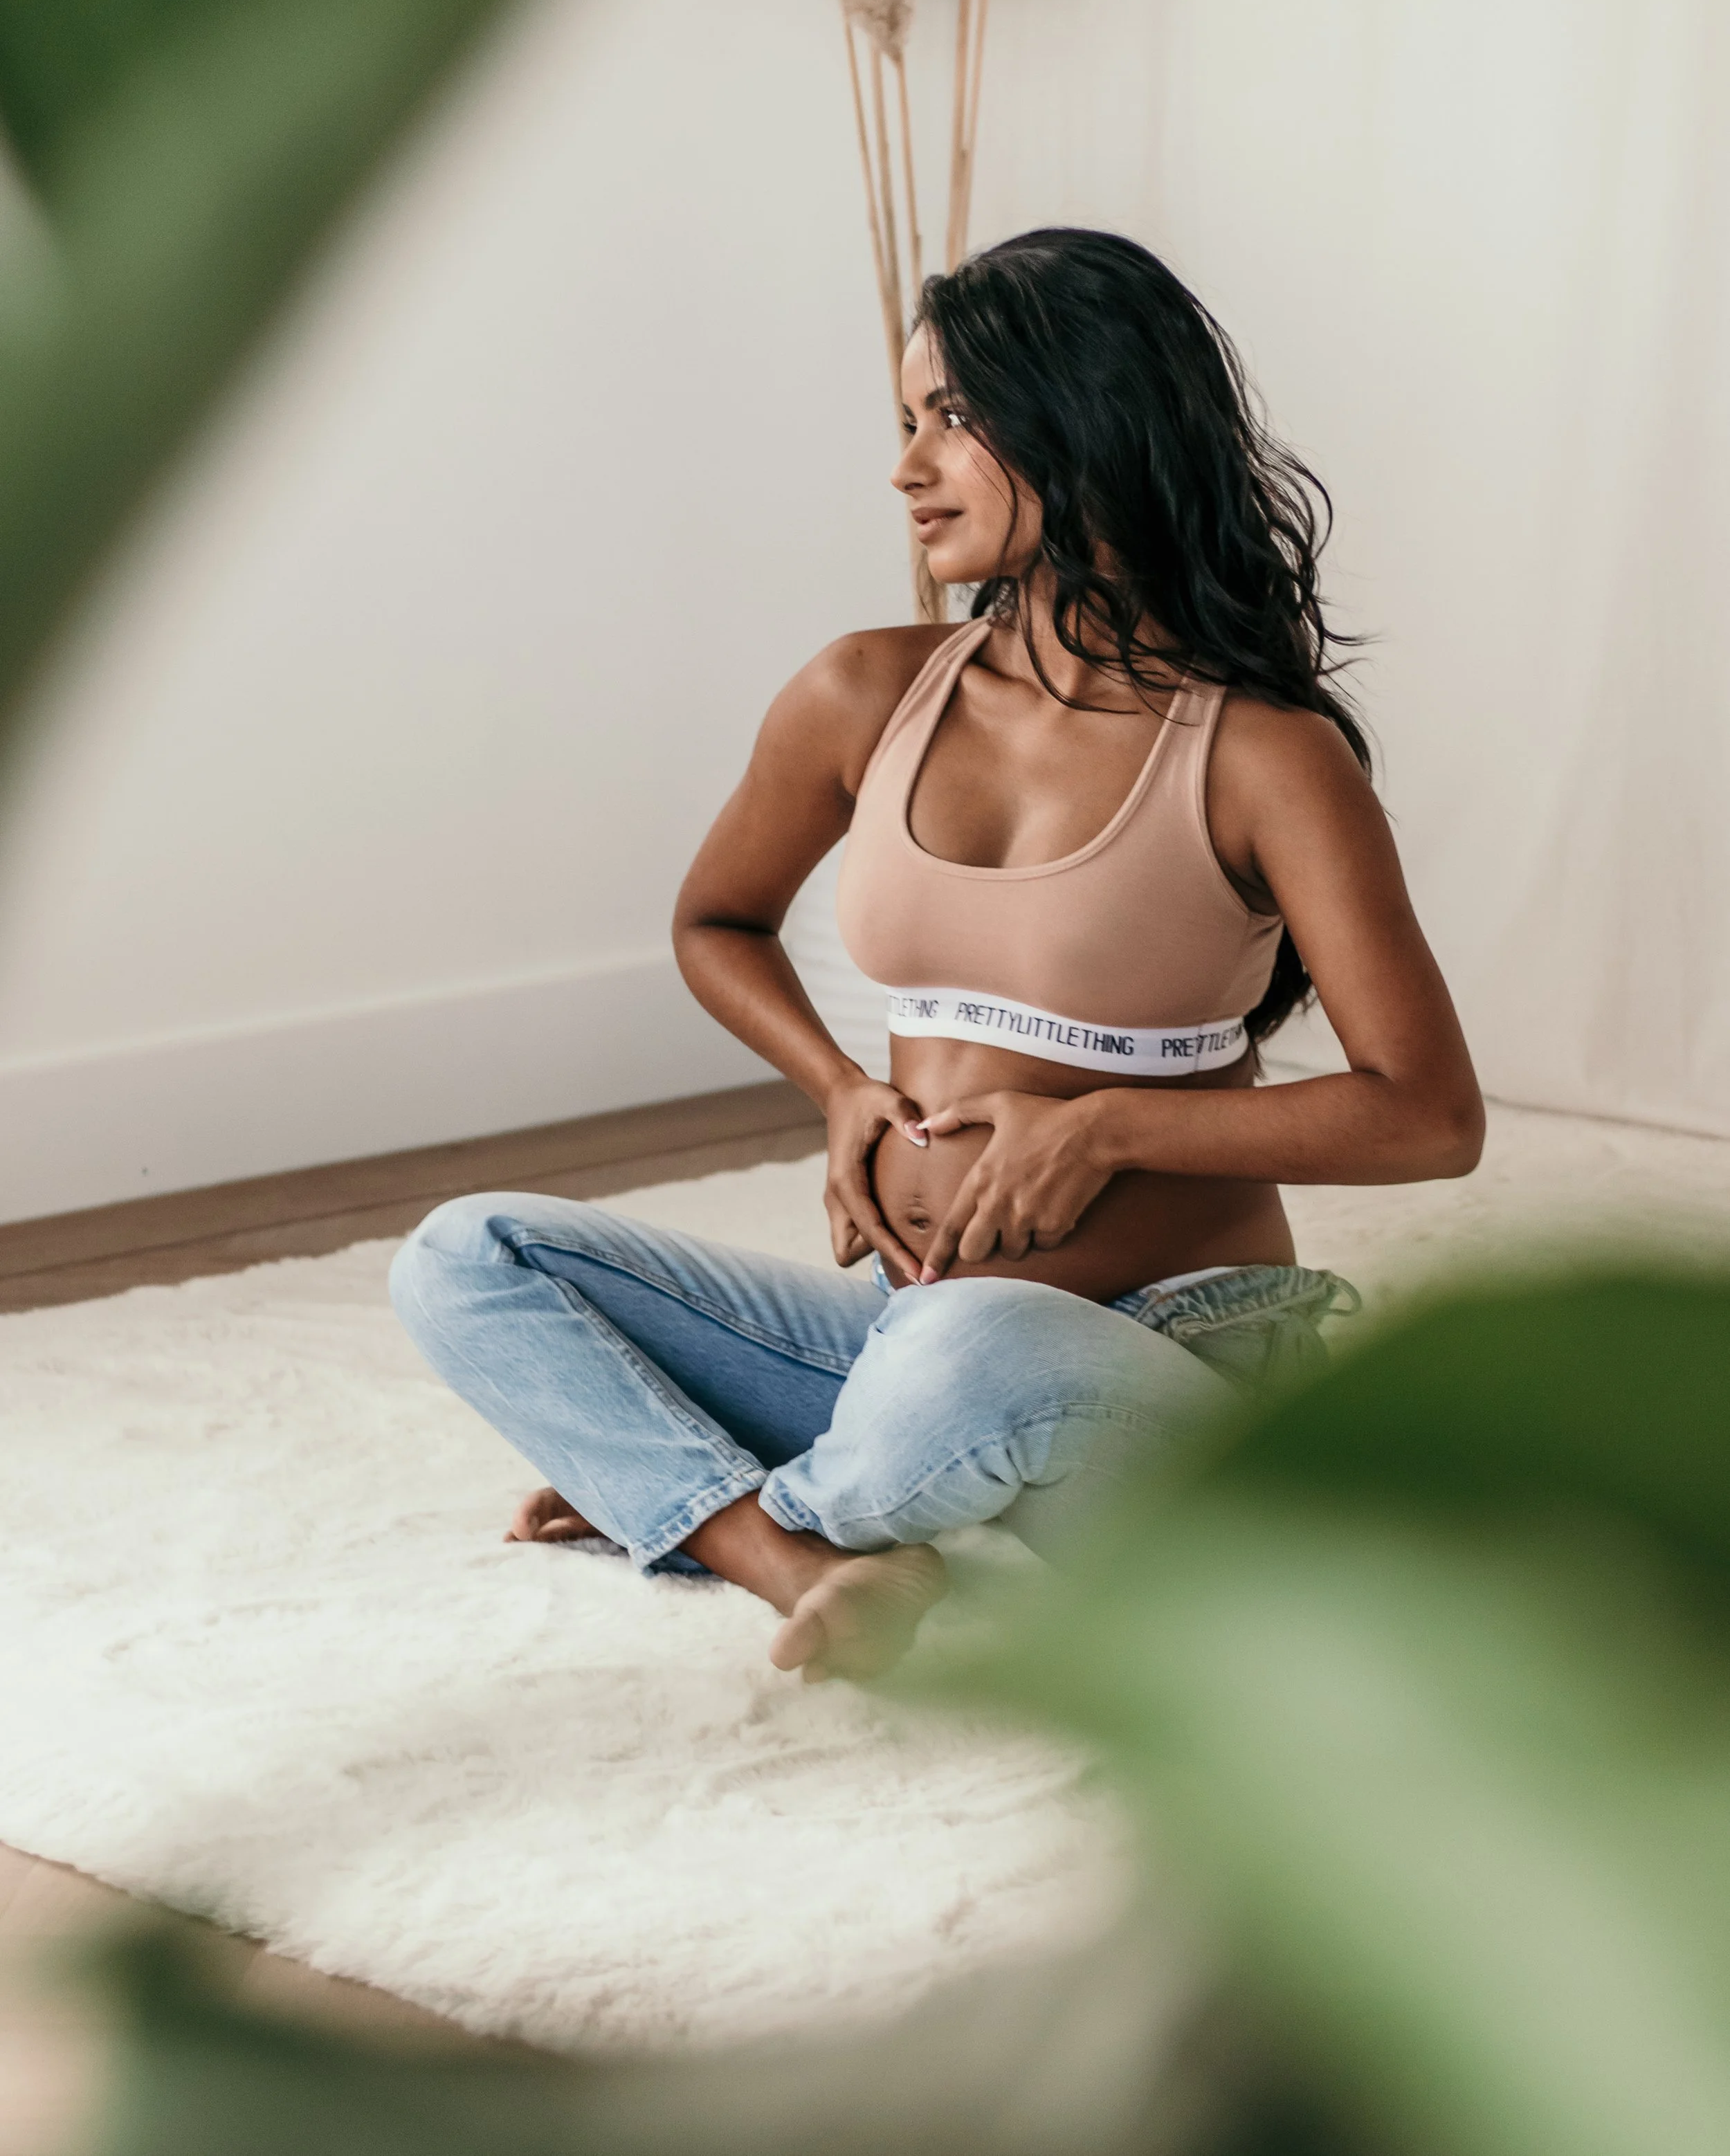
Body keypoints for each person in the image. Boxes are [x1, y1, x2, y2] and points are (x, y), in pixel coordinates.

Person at [390, 230, 1483, 1684]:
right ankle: (798, 1558)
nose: (907, 468)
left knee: (963, 1356)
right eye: (905, 423)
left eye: (953, 419)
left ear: (1089, 416)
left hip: (1154, 1359)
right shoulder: (865, 690)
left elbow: (1426, 1115)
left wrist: (1105, 1127)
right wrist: (837, 1090)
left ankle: (698, 1497)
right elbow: (715, 921)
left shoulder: (1265, 758)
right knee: (467, 1256)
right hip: (890, 1334)